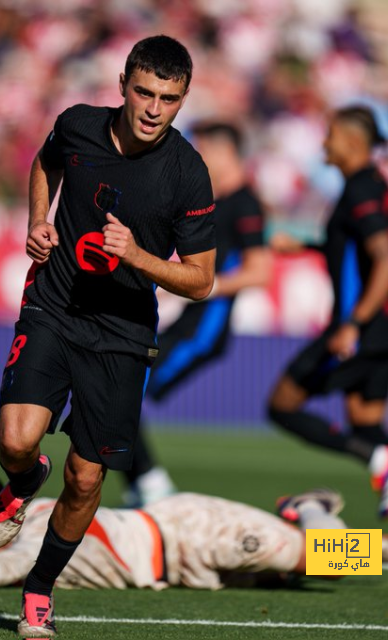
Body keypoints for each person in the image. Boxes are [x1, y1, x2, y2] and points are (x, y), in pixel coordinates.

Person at [0, 35, 217, 638]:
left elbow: (201, 282)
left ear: (183, 98)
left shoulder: (188, 174)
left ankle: (38, 588)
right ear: (122, 84)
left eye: (168, 99)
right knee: (16, 440)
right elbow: (45, 163)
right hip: (54, 306)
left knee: (86, 479)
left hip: (121, 333)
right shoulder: (79, 125)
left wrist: (139, 256)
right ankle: (22, 480)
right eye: (144, 92)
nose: (153, 109)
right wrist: (38, 219)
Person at [267, 105, 388, 553]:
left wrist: (352, 325)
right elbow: (353, 249)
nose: (324, 143)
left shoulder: (360, 189)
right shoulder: (371, 184)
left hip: (359, 327)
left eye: (331, 135)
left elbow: (385, 260)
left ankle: (380, 460)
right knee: (366, 425)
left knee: (282, 405)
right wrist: (303, 244)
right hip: (384, 327)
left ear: (353, 142)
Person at [0, 470, 388, 592]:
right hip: (182, 568)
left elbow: (6, 565)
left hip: (192, 532)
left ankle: (311, 507)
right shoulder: (19, 534)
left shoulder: (43, 520)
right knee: (297, 572)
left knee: (334, 561)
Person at [122, 122, 271, 507]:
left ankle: (151, 484)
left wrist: (202, 288)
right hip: (187, 324)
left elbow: (260, 271)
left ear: (225, 151)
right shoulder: (211, 200)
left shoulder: (245, 203)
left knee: (120, 386)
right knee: (116, 383)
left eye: (203, 150)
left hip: (203, 331)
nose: (198, 158)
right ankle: (140, 485)